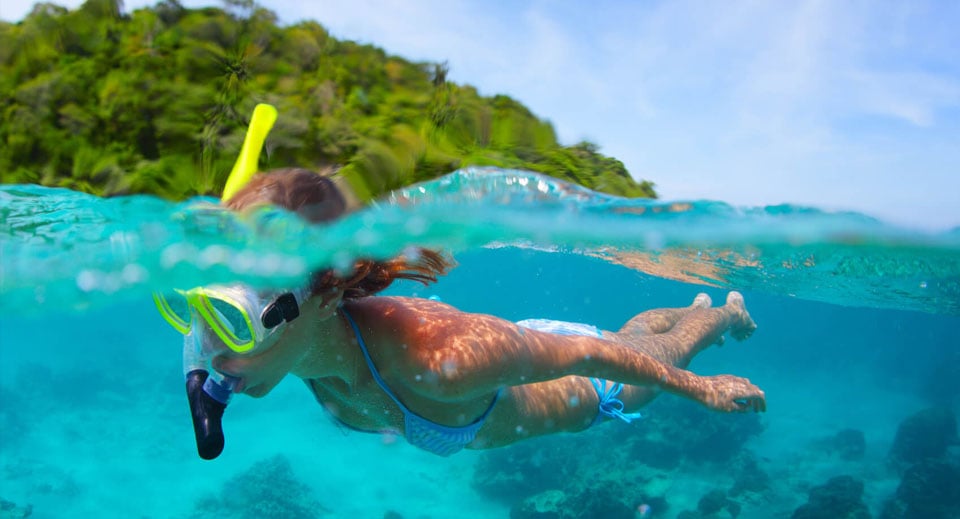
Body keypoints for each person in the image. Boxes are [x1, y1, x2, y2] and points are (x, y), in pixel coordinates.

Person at [157, 167, 765, 459]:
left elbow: (589, 354)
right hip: (517, 359)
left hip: (581, 384)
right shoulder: (280, 340)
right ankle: (700, 302)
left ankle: (719, 316)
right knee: (634, 331)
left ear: (323, 297)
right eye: (195, 311)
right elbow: (204, 340)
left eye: (233, 319)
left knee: (657, 352)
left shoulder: (438, 362)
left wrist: (701, 390)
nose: (210, 349)